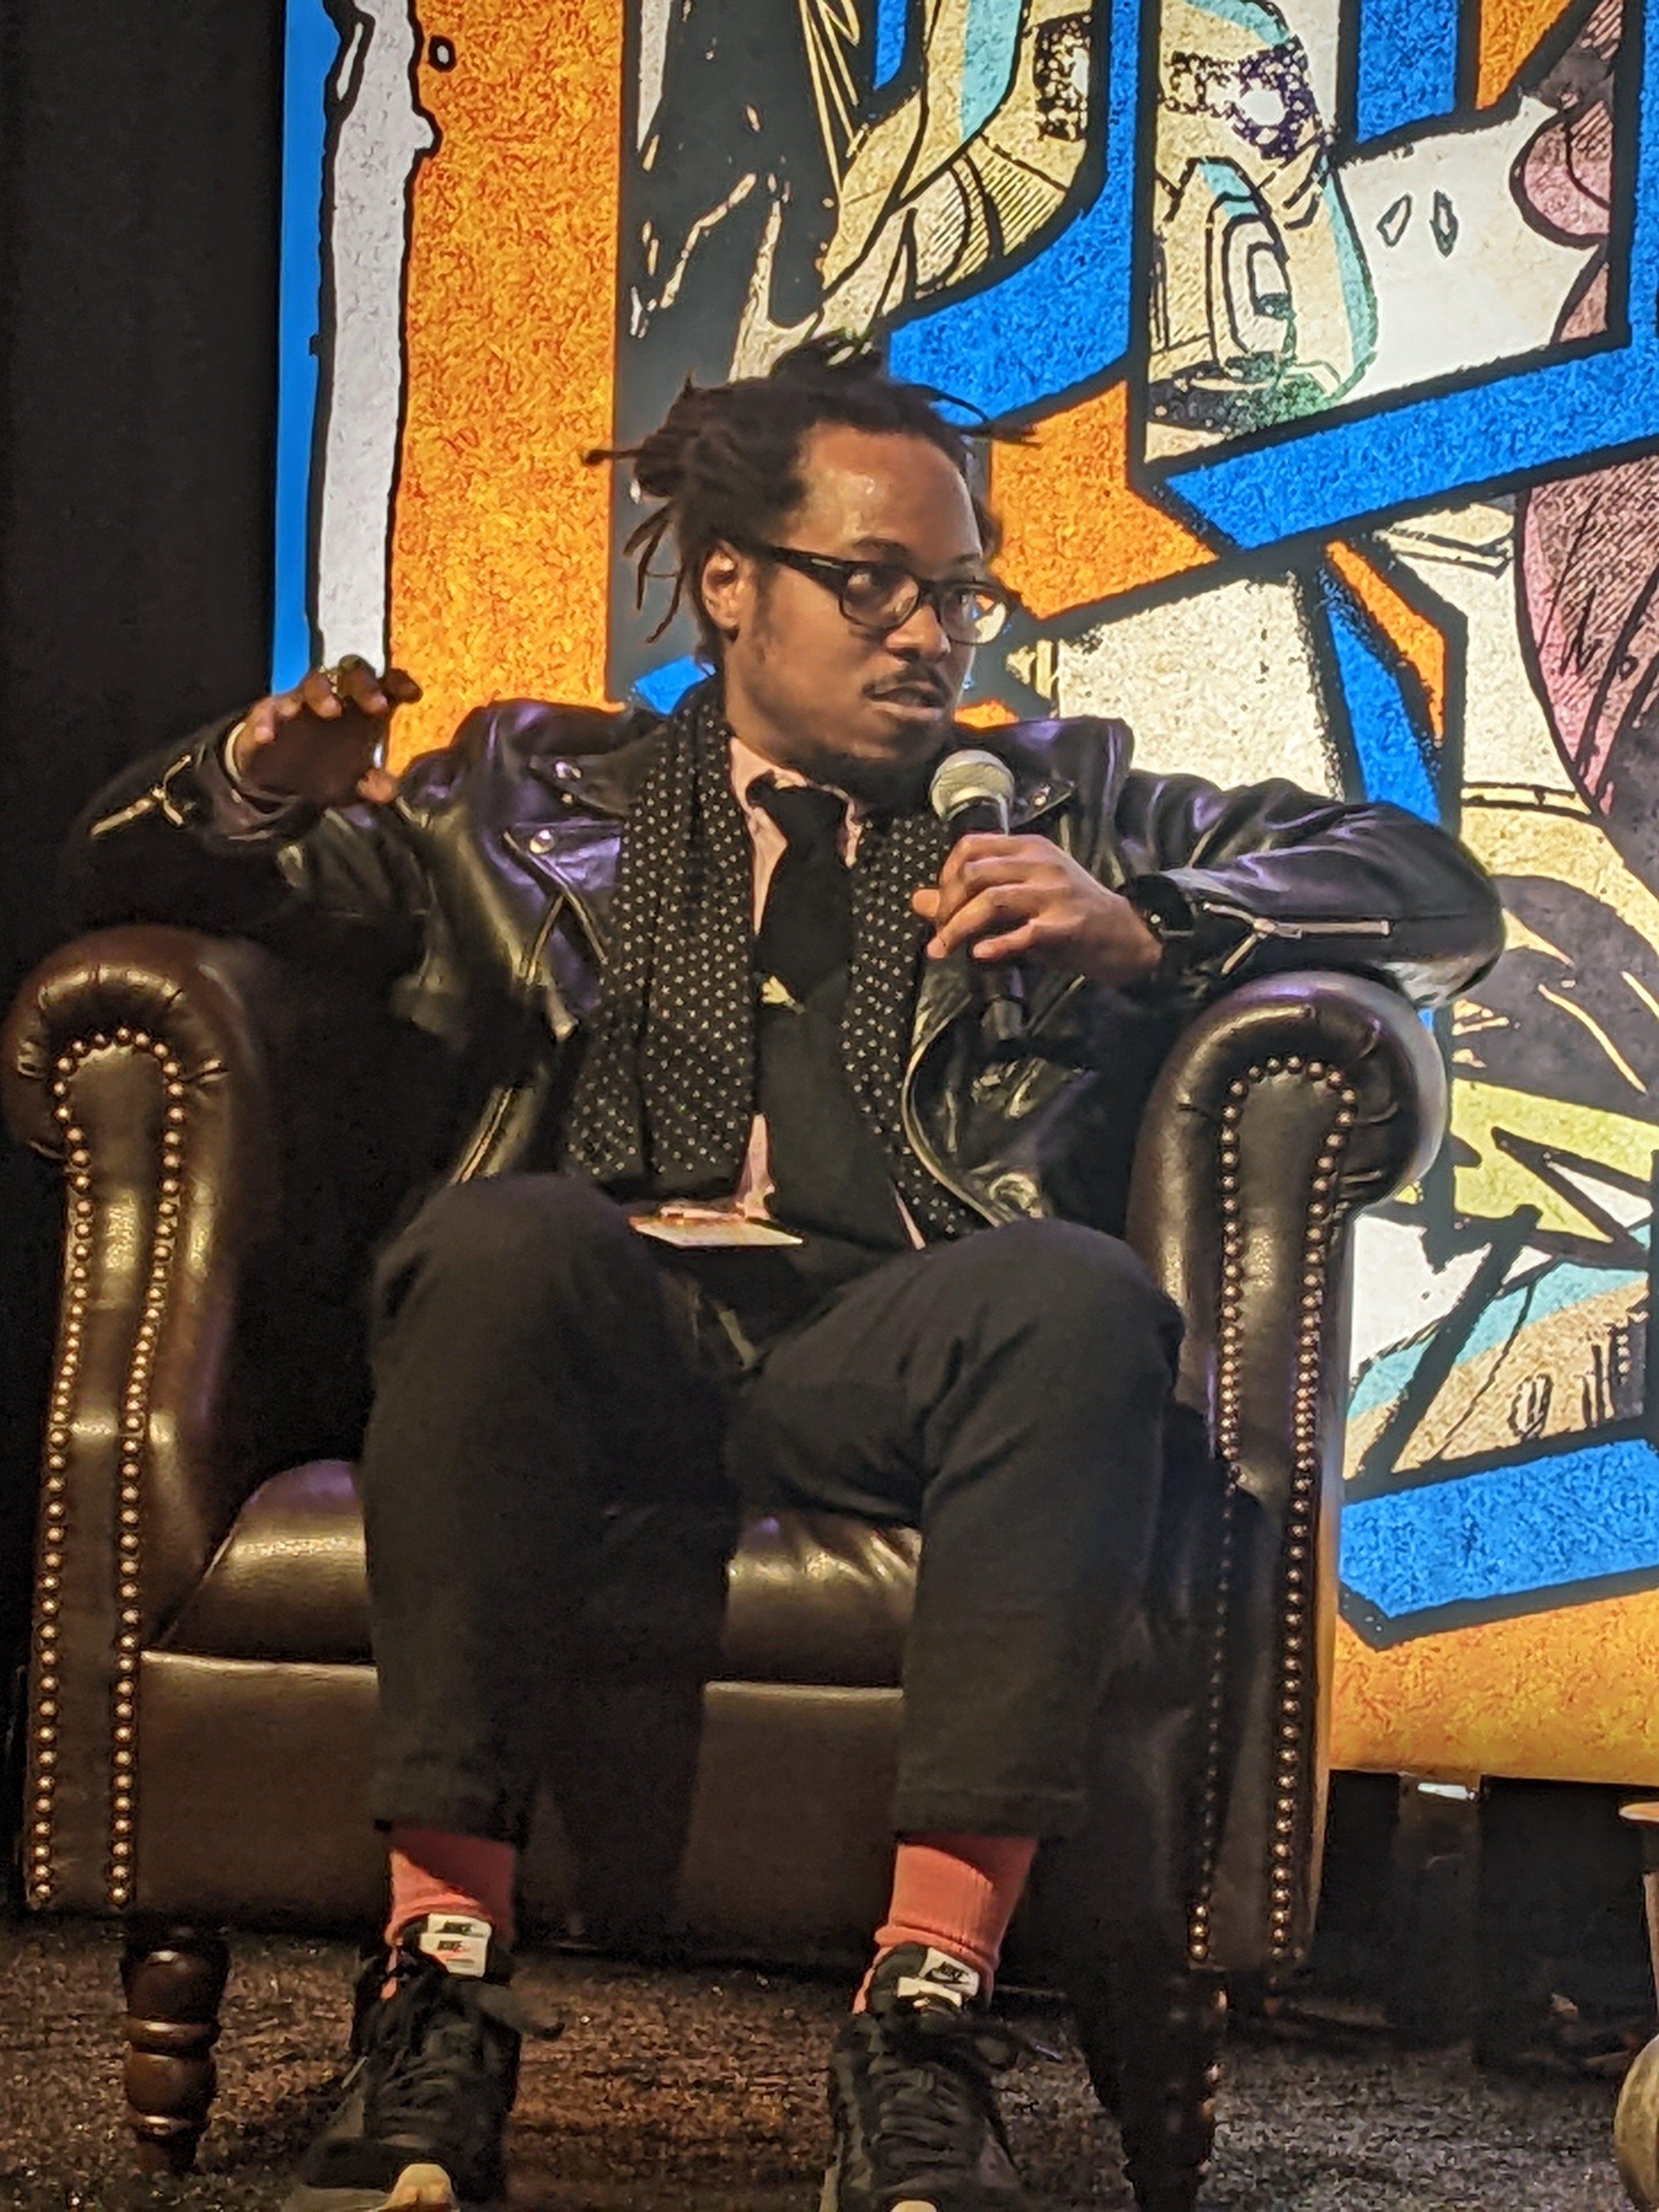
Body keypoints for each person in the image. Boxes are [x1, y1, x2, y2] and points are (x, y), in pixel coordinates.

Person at [71, 338, 1502, 2212]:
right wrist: (255, 786)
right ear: (732, 580)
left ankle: (922, 2018)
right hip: (596, 1314)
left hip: (892, 1336)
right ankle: (435, 1988)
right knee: (497, 1243)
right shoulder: (529, 792)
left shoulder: (1062, 800)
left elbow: (1431, 890)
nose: (930, 634)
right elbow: (158, 880)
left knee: (1072, 1299)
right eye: (873, 583)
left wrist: (1148, 925)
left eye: (959, 594)